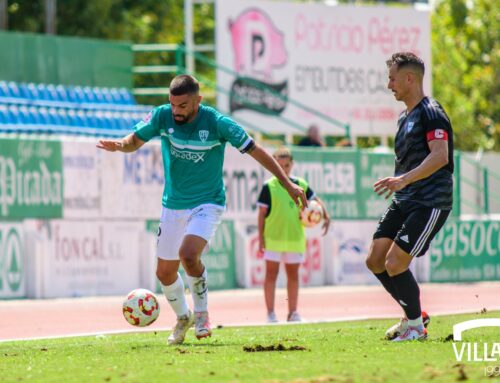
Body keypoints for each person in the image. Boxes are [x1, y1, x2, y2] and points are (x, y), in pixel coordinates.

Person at [97, 75, 307, 345]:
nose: (176, 111)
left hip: (208, 202)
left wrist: (287, 183)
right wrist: (120, 145)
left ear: (198, 100)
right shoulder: (163, 116)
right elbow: (134, 141)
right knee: (164, 273)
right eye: (173, 105)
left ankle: (201, 314)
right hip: (173, 204)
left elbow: (257, 151)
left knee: (188, 254)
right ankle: (182, 317)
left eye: (183, 105)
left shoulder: (218, 123)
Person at [365, 52, 454, 342]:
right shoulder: (404, 116)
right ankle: (414, 314)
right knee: (375, 259)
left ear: (409, 78)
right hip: (405, 199)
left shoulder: (432, 112)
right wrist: (400, 182)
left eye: (392, 78)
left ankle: (415, 326)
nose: (389, 85)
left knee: (395, 263)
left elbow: (440, 157)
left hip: (430, 201)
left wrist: (403, 180)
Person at [257, 147, 330, 323]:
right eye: (279, 164)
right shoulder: (269, 186)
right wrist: (261, 238)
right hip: (273, 237)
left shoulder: (301, 184)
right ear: (273, 163)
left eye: (287, 164)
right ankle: (271, 314)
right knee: (271, 275)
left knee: (293, 276)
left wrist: (326, 215)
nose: (284, 168)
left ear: (292, 164)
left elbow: (316, 201)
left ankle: (293, 313)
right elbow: (261, 214)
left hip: (295, 237)